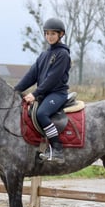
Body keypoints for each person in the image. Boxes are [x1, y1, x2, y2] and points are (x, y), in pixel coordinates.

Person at [14, 17, 71, 164]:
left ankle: (57, 149)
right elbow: (31, 75)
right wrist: (15, 90)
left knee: (41, 113)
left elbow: (52, 79)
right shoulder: (44, 55)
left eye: (53, 34)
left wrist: (34, 94)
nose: (49, 37)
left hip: (57, 93)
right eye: (47, 33)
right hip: (45, 94)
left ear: (61, 35)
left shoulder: (63, 54)